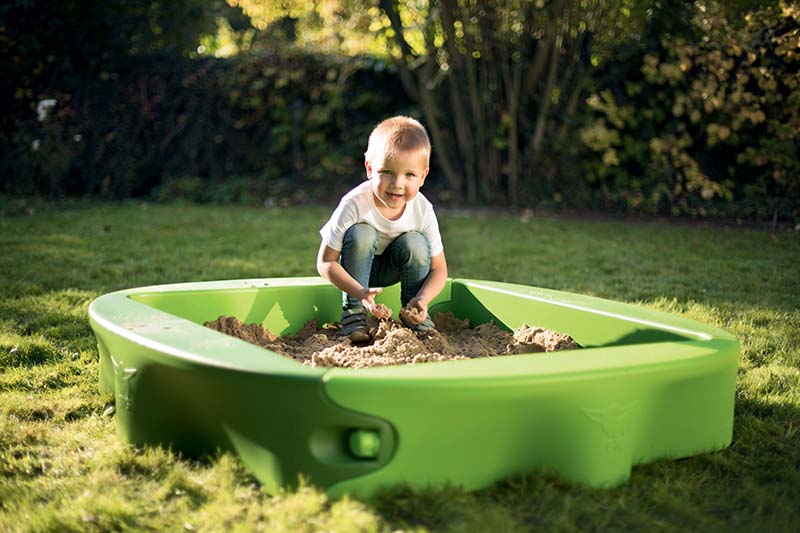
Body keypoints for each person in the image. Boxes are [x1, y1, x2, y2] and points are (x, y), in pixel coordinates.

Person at [317, 115, 448, 342]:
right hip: (356, 272)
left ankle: (413, 315)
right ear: (369, 168)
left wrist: (423, 299)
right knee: (362, 233)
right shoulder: (354, 203)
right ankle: (354, 316)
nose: (397, 183)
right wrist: (359, 292)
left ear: (423, 176)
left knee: (416, 242)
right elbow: (325, 262)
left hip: (393, 267)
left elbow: (439, 269)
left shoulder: (422, 209)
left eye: (409, 175)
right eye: (387, 172)